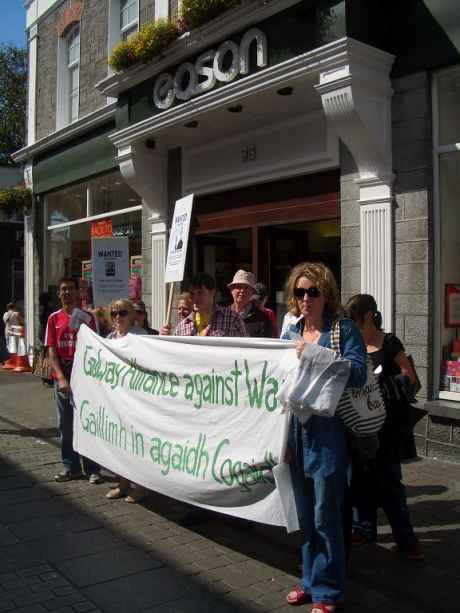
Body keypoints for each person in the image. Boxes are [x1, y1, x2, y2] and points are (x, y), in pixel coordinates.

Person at [282, 262, 367, 612]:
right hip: (295, 432)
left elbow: (359, 373)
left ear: (326, 294)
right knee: (303, 514)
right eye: (299, 292)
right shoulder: (290, 332)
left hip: (329, 431)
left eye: (312, 292)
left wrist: (316, 355)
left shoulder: (343, 329)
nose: (305, 298)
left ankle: (328, 591)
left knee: (324, 513)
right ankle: (310, 579)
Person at [345, 294, 424, 562]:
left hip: (387, 428)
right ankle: (363, 528)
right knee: (360, 481)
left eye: (355, 320)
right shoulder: (352, 345)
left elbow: (410, 377)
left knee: (390, 485)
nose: (352, 327)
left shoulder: (389, 342)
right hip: (360, 428)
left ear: (368, 316)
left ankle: (407, 541)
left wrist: (385, 386)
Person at [45, 277, 102, 484]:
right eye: (63, 289)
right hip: (63, 373)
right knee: (65, 424)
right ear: (59, 294)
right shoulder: (53, 319)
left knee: (87, 422)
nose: (67, 293)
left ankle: (93, 468)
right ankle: (71, 466)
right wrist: (60, 378)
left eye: (70, 289)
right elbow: (51, 352)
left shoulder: (88, 318)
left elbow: (96, 348)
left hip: (84, 376)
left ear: (78, 292)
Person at [105, 299, 150, 503]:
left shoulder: (142, 337)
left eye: (122, 313)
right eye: (114, 313)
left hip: (137, 399)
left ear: (132, 315)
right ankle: (122, 483)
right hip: (117, 398)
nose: (117, 317)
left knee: (137, 443)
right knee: (120, 443)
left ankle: (140, 486)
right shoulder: (109, 338)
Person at [161, 272, 247, 337]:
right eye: (192, 294)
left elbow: (246, 351)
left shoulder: (233, 319)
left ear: (212, 292)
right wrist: (165, 340)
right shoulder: (183, 326)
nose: (196, 298)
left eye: (200, 292)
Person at [228, 270, 273, 338]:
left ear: (252, 292)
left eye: (246, 287)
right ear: (232, 290)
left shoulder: (262, 319)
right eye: (239, 287)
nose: (242, 291)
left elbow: (266, 346)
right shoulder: (223, 316)